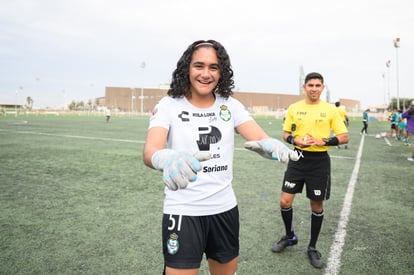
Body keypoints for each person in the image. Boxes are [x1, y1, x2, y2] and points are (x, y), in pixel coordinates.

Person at [142, 39, 299, 275]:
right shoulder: (168, 105)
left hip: (224, 210)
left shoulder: (230, 106)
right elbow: (150, 151)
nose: (206, 74)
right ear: (187, 68)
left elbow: (261, 137)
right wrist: (165, 158)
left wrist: (270, 145)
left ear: (221, 72)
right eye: (199, 66)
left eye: (213, 67)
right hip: (183, 210)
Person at [270, 72, 349, 269]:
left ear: (322, 88)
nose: (314, 88)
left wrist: (324, 141)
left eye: (317, 85)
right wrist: (293, 140)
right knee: (285, 200)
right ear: (304, 87)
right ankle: (289, 236)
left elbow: (344, 136)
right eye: (310, 85)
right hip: (297, 159)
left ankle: (312, 247)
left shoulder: (331, 110)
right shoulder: (294, 108)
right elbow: (286, 133)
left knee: (316, 205)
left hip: (319, 161)